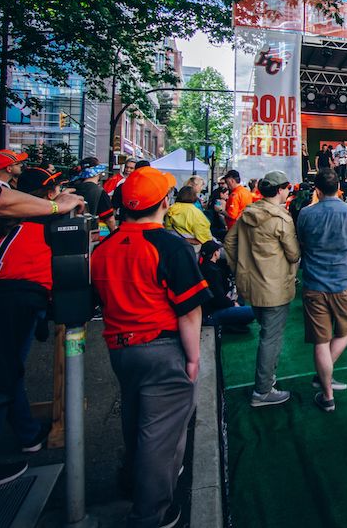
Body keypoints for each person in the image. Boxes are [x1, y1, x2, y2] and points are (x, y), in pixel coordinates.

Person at [91, 166, 212, 528]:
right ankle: (149, 514)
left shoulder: (104, 246)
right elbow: (190, 312)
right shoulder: (170, 245)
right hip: (162, 348)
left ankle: (132, 482)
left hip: (119, 348)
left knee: (137, 421)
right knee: (161, 437)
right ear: (164, 203)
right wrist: (193, 358)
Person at [0, 167, 63, 495]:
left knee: (6, 372)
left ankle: (27, 433)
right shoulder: (47, 221)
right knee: (0, 381)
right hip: (13, 300)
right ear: (49, 195)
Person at [296, 168, 347, 411]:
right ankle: (325, 376)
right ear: (339, 187)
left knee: (321, 341)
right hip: (344, 284)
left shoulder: (305, 214)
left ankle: (327, 394)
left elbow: (302, 246)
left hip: (314, 285)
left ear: (316, 189)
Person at [224, 171, 301, 406]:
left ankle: (266, 383)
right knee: (271, 338)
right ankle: (263, 390)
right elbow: (293, 253)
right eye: (287, 187)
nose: (288, 191)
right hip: (274, 289)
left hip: (250, 286)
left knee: (267, 335)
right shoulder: (281, 219)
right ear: (280, 190)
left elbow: (229, 243)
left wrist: (240, 269)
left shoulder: (248, 212)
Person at [197, 241, 255, 333]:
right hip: (211, 313)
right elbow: (218, 300)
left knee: (240, 299)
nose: (219, 251)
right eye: (218, 250)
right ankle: (227, 325)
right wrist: (232, 304)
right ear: (215, 253)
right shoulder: (212, 271)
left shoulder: (204, 267)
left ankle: (232, 321)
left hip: (213, 308)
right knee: (252, 311)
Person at [70, 158, 117, 232]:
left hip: (73, 232)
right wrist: (114, 232)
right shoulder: (99, 191)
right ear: (98, 171)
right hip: (91, 234)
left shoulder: (72, 189)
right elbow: (110, 219)